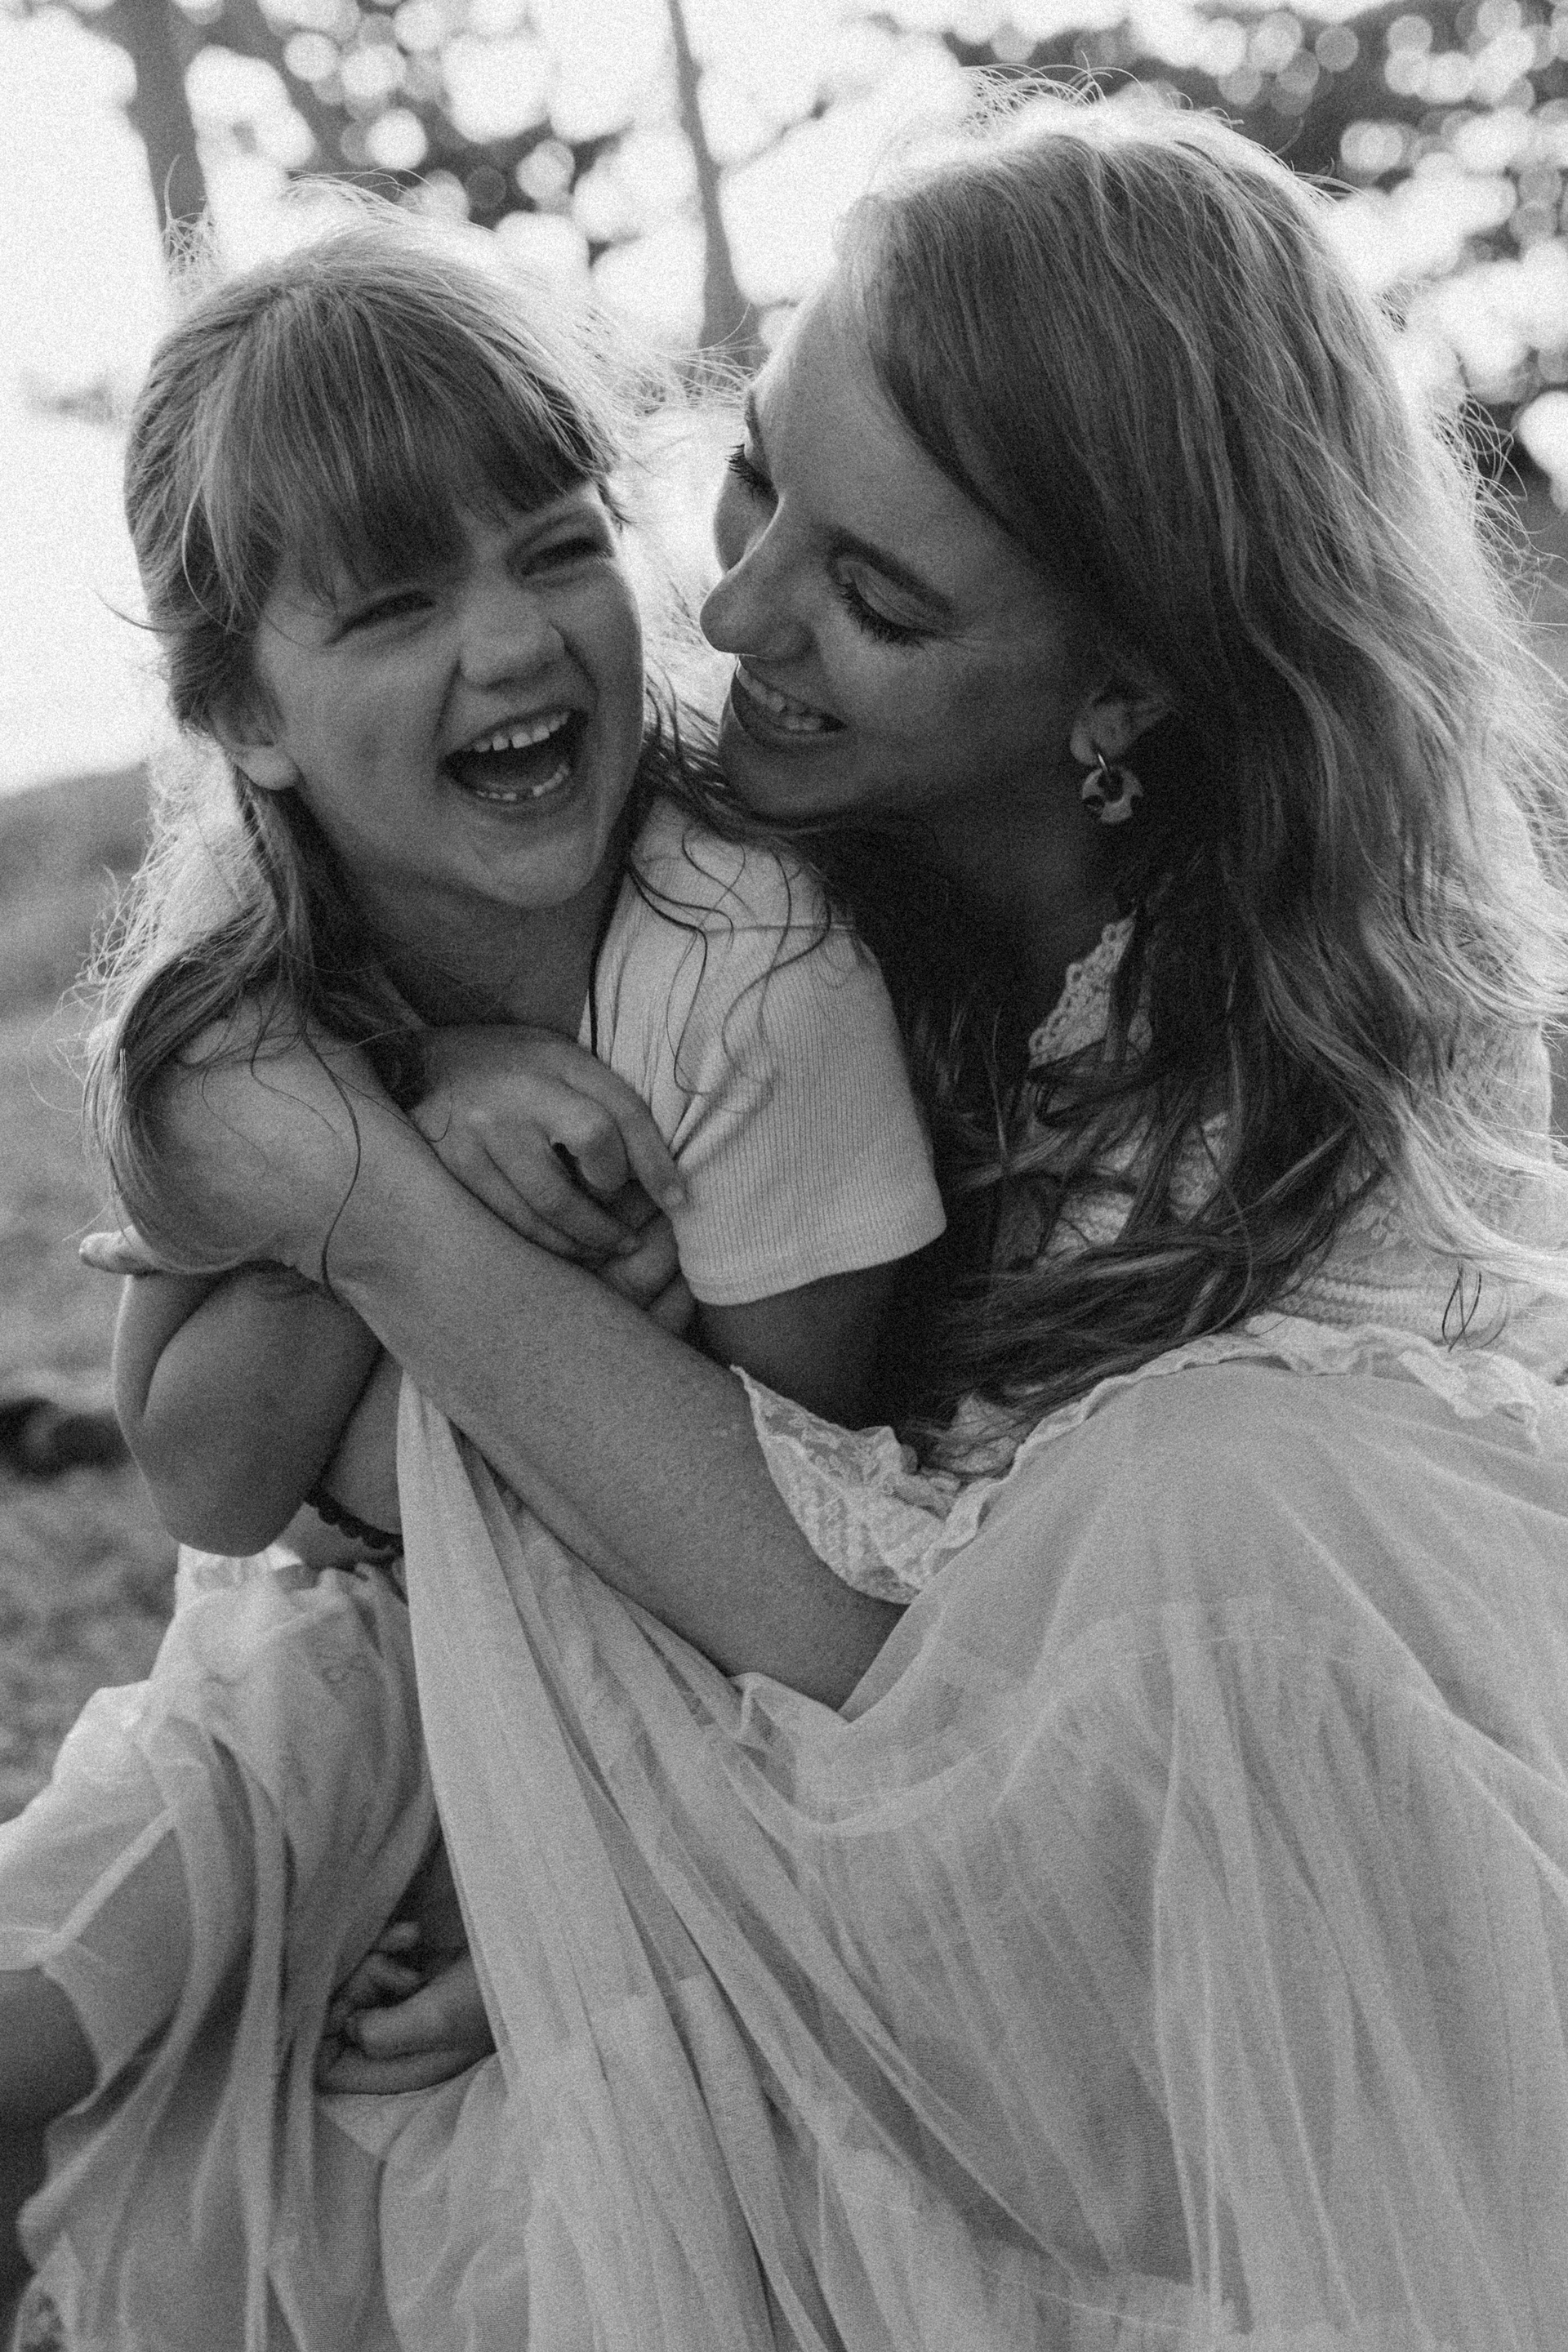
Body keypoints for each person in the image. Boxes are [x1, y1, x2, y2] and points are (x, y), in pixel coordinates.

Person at [12, 89, 1568, 2345]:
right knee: (227, 1849)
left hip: (1063, 1884)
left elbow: (903, 1665)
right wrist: (403, 1085)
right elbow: (258, 1422)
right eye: (751, 482)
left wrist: (374, 1207)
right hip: (528, 1664)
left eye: (875, 597)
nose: (730, 617)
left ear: (1128, 679)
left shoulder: (1271, 1092)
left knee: (1231, 1500)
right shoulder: (716, 847)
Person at [0, 210, 946, 2348]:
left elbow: (775, 1547)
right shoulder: (238, 1002)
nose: (513, 643)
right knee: (108, 1925)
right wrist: (388, 1132)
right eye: (397, 602)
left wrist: (524, 1872)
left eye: (553, 544)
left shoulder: (744, 975)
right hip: (326, 1647)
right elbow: (208, 1478)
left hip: (655, 1694)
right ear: (241, 711)